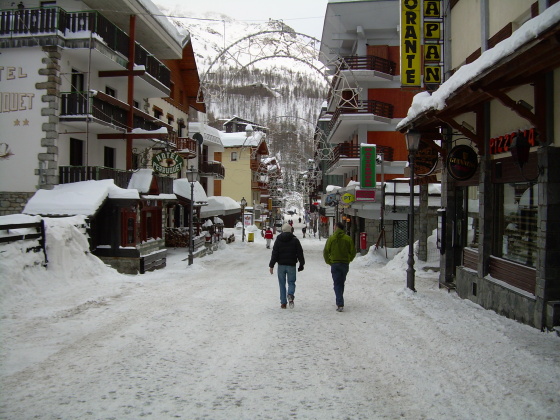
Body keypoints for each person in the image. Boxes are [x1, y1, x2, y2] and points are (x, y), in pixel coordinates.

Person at [269, 223, 305, 309]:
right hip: (291, 265)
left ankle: (283, 303)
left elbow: (275, 253)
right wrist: (301, 264)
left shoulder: (278, 239)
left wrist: (271, 265)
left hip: (281, 265)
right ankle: (290, 294)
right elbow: (300, 253)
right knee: (291, 282)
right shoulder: (295, 240)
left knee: (282, 284)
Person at [323, 222, 356, 312]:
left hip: (335, 264)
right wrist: (349, 259)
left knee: (337, 283)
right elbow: (353, 251)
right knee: (341, 282)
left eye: (334, 226)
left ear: (337, 228)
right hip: (345, 264)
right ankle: (340, 299)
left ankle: (340, 303)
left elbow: (326, 251)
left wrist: (329, 261)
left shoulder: (331, 238)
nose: (333, 228)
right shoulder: (348, 239)